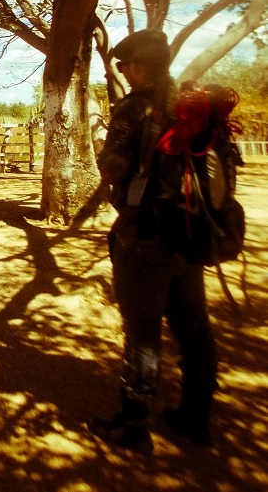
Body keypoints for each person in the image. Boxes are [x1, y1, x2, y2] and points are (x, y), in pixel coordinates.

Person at [90, 29, 218, 451]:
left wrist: (97, 141)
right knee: (193, 329)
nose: (124, 73)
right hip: (187, 232)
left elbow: (113, 169)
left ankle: (133, 423)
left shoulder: (135, 108)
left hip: (143, 236)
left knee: (142, 333)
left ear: (139, 66)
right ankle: (194, 419)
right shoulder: (186, 103)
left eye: (126, 66)